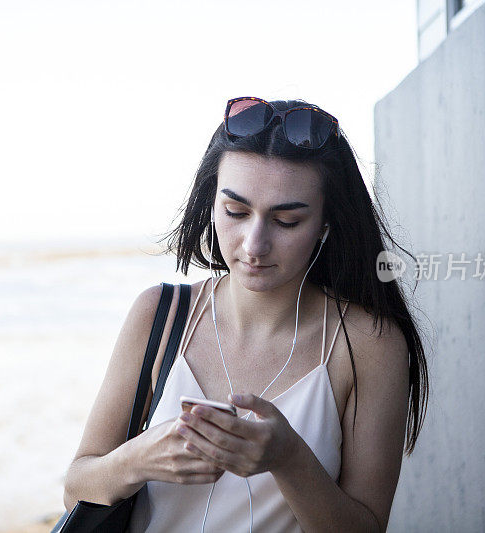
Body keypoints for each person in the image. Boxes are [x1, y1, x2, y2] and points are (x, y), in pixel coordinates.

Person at [62, 96, 429, 532]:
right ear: (211, 203)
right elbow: (75, 489)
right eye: (235, 212)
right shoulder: (159, 314)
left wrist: (289, 459)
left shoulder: (369, 343)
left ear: (327, 224)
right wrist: (139, 458)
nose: (254, 245)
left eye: (287, 221)